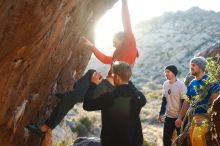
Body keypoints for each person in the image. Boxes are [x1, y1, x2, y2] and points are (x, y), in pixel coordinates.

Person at [27, 0, 139, 140]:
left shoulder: (129, 44)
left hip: (109, 88)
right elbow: (105, 59)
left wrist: (124, 2)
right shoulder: (118, 52)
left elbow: (126, 21)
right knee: (92, 72)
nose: (112, 43)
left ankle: (45, 127)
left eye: (114, 40)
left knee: (69, 99)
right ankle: (74, 93)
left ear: (121, 38)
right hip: (105, 85)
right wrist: (91, 46)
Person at [83, 61, 146, 146]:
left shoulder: (110, 98)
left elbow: (87, 105)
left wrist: (93, 85)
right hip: (135, 142)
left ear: (117, 77)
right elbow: (137, 93)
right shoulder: (139, 97)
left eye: (113, 75)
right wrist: (127, 80)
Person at [175, 56, 220, 146]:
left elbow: (216, 103)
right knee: (189, 139)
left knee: (197, 136)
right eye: (190, 65)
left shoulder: (211, 81)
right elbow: (186, 101)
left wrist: (206, 117)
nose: (191, 67)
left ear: (201, 67)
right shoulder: (192, 83)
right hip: (194, 118)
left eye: (194, 65)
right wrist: (180, 117)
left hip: (207, 118)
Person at [157, 65, 187, 146]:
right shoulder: (165, 84)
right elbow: (164, 100)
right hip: (169, 117)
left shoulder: (181, 85)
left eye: (168, 72)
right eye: (165, 72)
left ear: (174, 73)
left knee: (182, 141)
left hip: (179, 118)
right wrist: (161, 113)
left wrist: (180, 118)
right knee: (166, 140)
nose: (166, 74)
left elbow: (185, 102)